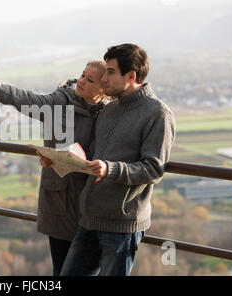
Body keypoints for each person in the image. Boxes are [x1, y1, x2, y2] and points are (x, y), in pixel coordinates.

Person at [0, 61, 109, 275]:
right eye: (82, 75)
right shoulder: (59, 102)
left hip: (92, 205)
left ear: (104, 87)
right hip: (60, 202)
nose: (81, 81)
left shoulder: (110, 113)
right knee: (61, 270)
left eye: (90, 80)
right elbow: (21, 98)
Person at [60, 43, 176, 276]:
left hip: (121, 227)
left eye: (110, 72)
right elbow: (93, 157)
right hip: (89, 220)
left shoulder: (158, 113)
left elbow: (153, 169)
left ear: (131, 75)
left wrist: (109, 169)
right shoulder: (110, 109)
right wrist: (62, 161)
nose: (104, 78)